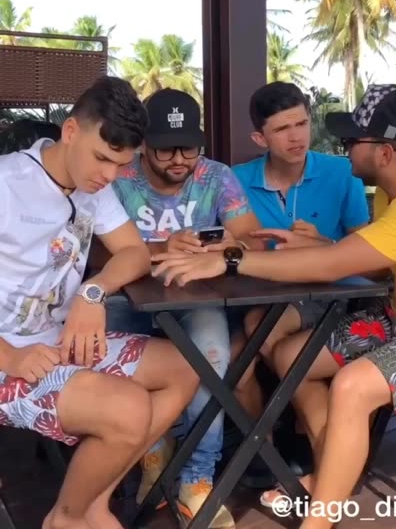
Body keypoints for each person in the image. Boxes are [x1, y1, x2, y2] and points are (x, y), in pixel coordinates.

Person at [152, 84, 396, 529]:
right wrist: (326, 246)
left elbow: (333, 267)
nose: (342, 149)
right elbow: (379, 262)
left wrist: (230, 259)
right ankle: (333, 475)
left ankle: (320, 518)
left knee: (352, 386)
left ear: (384, 153)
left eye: (351, 141)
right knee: (292, 356)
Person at [0, 76, 199, 529]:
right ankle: (66, 518)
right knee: (128, 408)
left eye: (121, 164)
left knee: (186, 366)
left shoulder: (92, 189)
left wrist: (93, 292)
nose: (109, 175)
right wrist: (10, 356)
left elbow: (135, 253)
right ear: (71, 131)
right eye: (103, 158)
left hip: (55, 343)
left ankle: (91, 502)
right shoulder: (7, 184)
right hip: (8, 356)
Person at [108, 87, 263, 528]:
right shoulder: (119, 179)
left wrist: (223, 247)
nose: (179, 160)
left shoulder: (216, 176)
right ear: (143, 145)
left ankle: (197, 480)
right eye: (165, 150)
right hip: (125, 296)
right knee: (106, 351)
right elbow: (94, 251)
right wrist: (160, 248)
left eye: (189, 148)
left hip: (196, 297)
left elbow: (251, 239)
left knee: (211, 354)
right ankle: (152, 455)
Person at [230, 81, 369, 477]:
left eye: (302, 124)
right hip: (260, 294)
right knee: (236, 362)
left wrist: (325, 245)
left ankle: (286, 445)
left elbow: (366, 247)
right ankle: (282, 447)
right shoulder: (236, 180)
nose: (296, 137)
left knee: (262, 329)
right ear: (260, 138)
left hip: (332, 295)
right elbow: (230, 244)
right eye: (282, 129)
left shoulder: (342, 171)